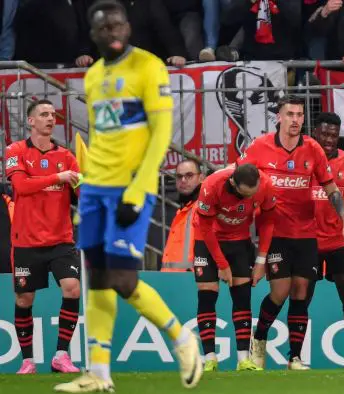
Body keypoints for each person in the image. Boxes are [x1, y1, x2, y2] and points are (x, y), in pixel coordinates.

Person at [55, 1, 202, 391]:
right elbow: (103, 138)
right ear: (94, 34)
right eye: (103, 28)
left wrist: (137, 190)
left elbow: (161, 134)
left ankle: (183, 340)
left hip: (130, 186)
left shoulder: (149, 67)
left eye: (118, 25)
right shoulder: (93, 76)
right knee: (98, 280)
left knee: (122, 278)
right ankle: (99, 373)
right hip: (94, 189)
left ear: (129, 27)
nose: (112, 33)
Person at [238, 95, 344, 370]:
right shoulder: (260, 146)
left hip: (305, 233)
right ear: (278, 117)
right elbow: (239, 179)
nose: (295, 120)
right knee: (279, 292)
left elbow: (330, 188)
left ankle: (294, 357)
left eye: (300, 115)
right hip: (275, 231)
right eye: (290, 114)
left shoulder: (312, 148)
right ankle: (260, 339)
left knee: (301, 291)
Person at [4, 99, 82, 374]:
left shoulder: (67, 156)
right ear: (31, 121)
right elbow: (21, 186)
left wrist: (87, 185)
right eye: (44, 114)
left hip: (61, 240)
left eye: (53, 115)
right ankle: (27, 360)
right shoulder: (15, 151)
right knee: (24, 300)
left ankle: (61, 356)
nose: (50, 119)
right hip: (26, 241)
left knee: (72, 287)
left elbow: (79, 194)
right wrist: (58, 177)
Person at [194, 163, 275, 372]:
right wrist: (221, 264)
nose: (249, 199)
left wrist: (260, 261)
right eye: (244, 194)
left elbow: (267, 222)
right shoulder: (211, 186)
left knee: (242, 296)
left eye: (253, 194)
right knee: (207, 295)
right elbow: (204, 227)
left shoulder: (265, 184)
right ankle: (210, 358)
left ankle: (243, 360)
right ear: (233, 183)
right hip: (208, 238)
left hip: (239, 240)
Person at [308, 112, 344, 367]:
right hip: (308, 241)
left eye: (334, 135)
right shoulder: (304, 160)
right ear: (315, 132)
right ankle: (295, 355)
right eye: (325, 134)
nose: (329, 140)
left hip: (340, 240)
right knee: (300, 298)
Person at [161, 160, 204, 272]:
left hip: (192, 282)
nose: (183, 180)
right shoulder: (183, 211)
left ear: (201, 178)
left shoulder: (203, 208)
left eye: (189, 175)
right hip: (173, 281)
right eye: (179, 176)